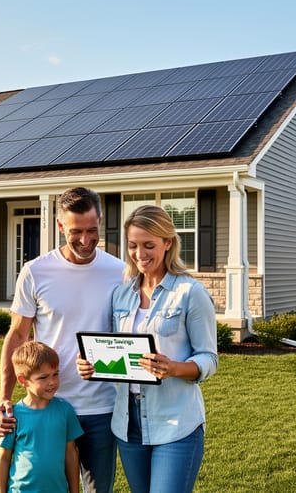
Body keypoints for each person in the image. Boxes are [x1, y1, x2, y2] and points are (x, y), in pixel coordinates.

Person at [77, 205, 218, 493]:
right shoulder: (121, 294)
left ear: (168, 243)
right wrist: (93, 365)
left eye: (149, 245)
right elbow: (117, 350)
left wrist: (174, 368)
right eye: (133, 245)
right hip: (127, 425)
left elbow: (209, 358)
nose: (140, 254)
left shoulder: (190, 293)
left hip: (176, 423)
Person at [0, 186, 125, 493]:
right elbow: (17, 336)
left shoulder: (119, 271)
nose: (85, 240)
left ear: (101, 221)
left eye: (93, 230)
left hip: (101, 408)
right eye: (76, 231)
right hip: (47, 406)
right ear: (60, 226)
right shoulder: (36, 272)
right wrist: (4, 397)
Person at [0, 341, 83, 493]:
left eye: (55, 374)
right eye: (43, 377)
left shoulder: (65, 411)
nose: (52, 382)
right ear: (23, 380)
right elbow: (4, 458)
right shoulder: (12, 415)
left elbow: (71, 454)